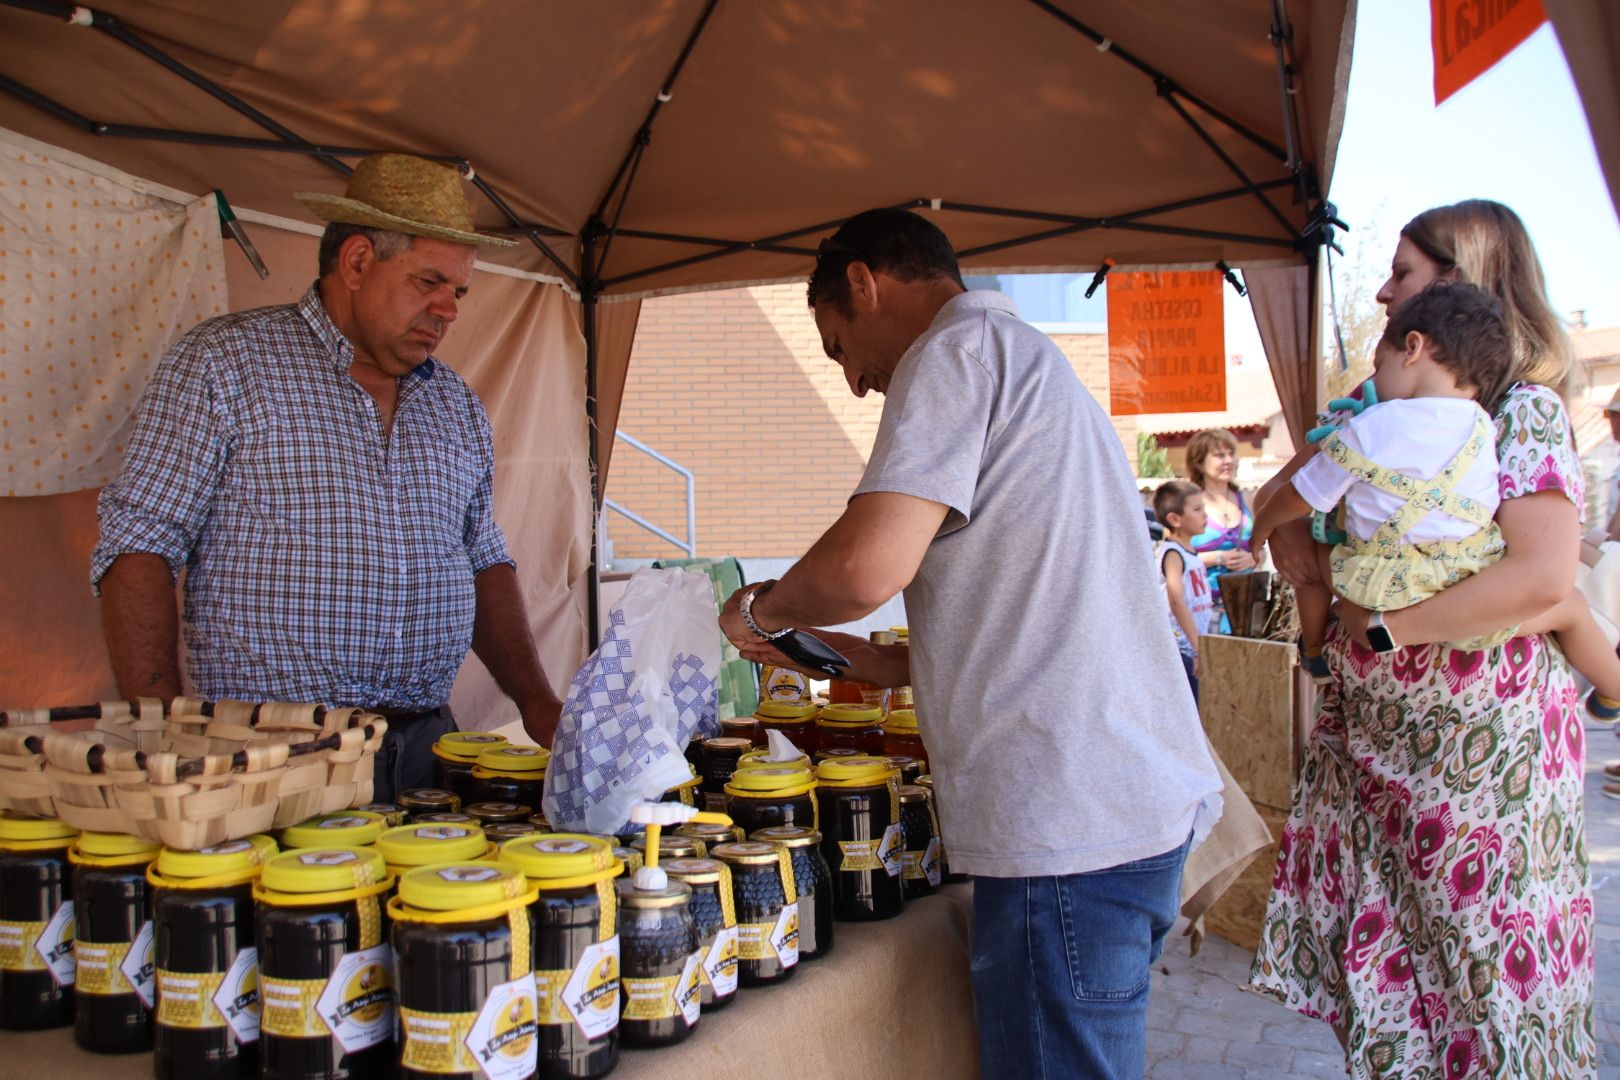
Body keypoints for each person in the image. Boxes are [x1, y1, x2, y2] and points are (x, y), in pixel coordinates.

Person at [717, 208, 1222, 1079]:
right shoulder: (1031, 364)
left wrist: (759, 610)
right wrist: (880, 663)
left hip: (1070, 826)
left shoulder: (952, 354)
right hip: (1117, 811)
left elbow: (866, 564)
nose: (855, 384)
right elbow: (1049, 608)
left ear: (865, 283)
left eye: (839, 347)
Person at [92, 153, 564, 802]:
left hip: (426, 751)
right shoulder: (225, 364)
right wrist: (164, 726)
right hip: (272, 753)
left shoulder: (453, 403)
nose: (447, 309)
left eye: (458, 291)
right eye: (428, 281)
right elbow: (141, 543)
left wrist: (538, 703)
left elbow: (482, 559)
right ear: (358, 262)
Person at [1248, 200, 1595, 1076]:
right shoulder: (1374, 410)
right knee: (1376, 980)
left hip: (1478, 770)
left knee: (1483, 993)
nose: (1382, 290)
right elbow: (1278, 511)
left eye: (1402, 274)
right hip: (1374, 750)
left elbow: (1543, 578)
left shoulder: (1525, 414)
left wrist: (1384, 627)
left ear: (1459, 286)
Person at [1255, 282, 1620, 721]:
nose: (1375, 380)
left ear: (1412, 347)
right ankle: (1612, 690)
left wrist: (1264, 522)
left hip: (1384, 587)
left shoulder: (1373, 425)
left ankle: (1312, 650)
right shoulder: (1488, 425)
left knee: (1314, 554)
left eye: (1378, 365)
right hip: (1466, 582)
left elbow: (1299, 494)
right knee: (1573, 609)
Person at [1153, 479, 1218, 698]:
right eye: (1197, 509)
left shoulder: (1190, 552)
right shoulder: (1173, 554)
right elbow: (1176, 600)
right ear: (1175, 518)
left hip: (1193, 645)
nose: (1204, 515)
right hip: (1182, 648)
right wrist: (1198, 646)